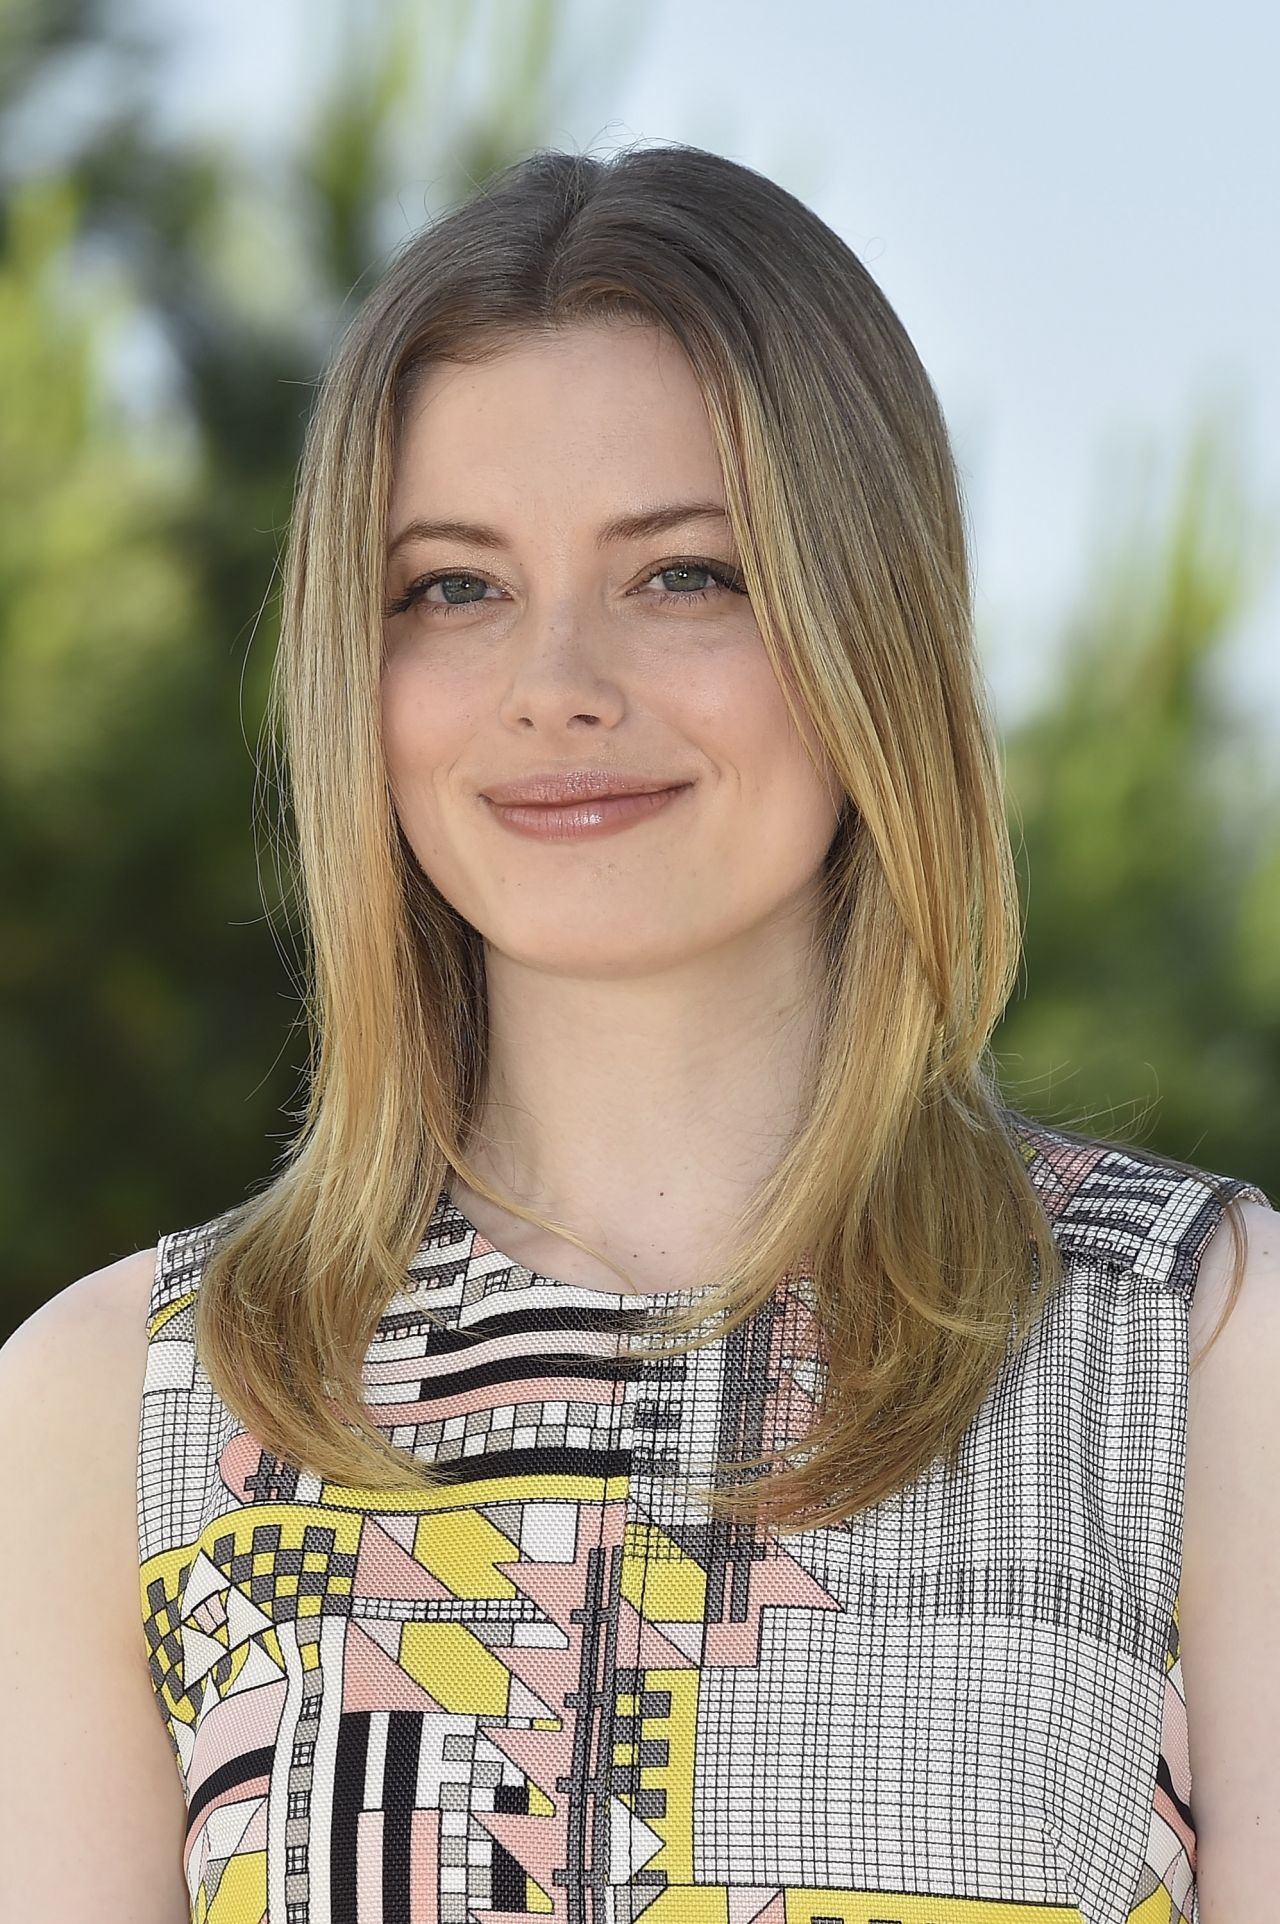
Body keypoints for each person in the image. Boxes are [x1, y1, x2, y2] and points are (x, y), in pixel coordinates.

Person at [0, 142, 1275, 1924]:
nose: (557, 683)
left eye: (684, 573)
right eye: (453, 586)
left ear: (869, 627)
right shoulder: (107, 1409)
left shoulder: (1204, 1347)